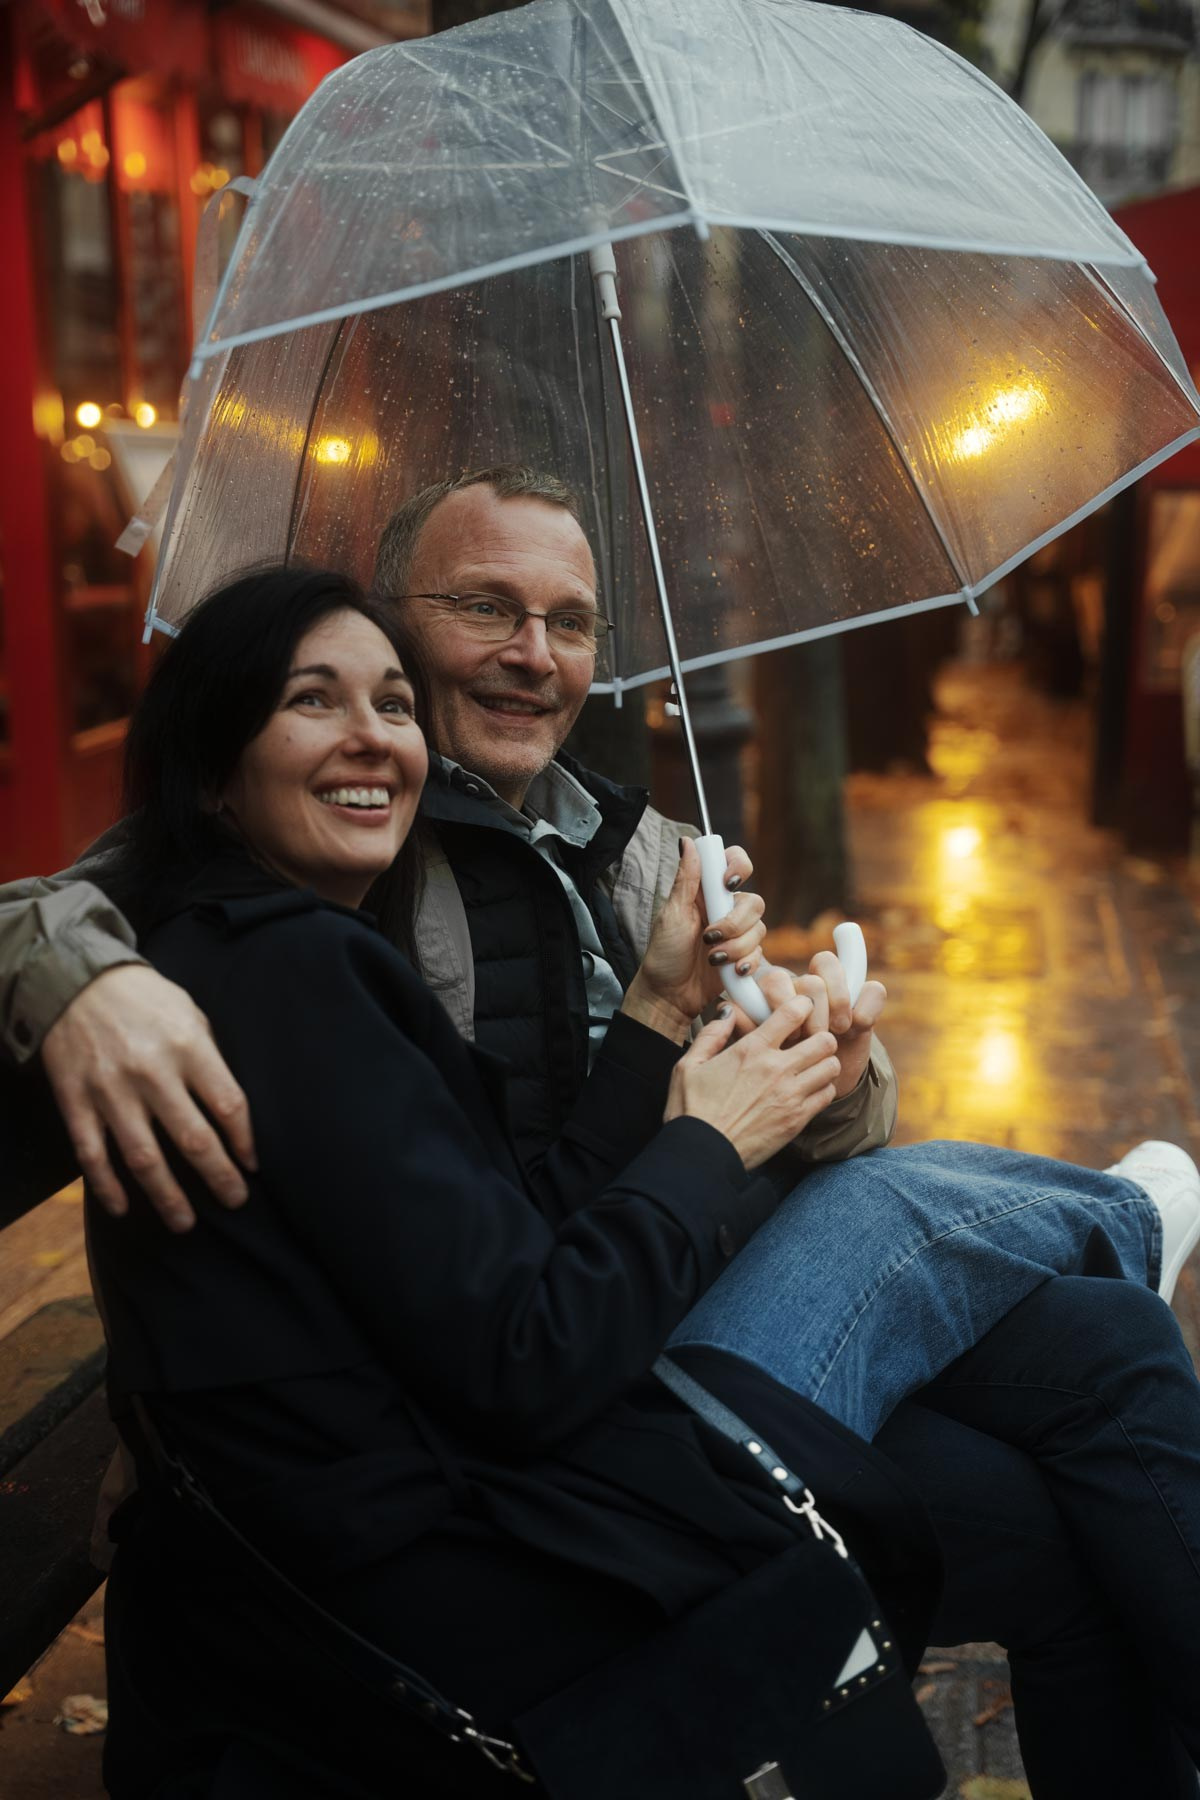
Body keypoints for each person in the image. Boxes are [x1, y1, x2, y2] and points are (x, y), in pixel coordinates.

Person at [86, 566, 1200, 1797]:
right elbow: (529, 1361)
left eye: (388, 704)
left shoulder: (394, 916)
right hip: (481, 1541)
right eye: (315, 699)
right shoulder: (293, 969)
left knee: (1094, 1390)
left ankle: (1109, 1238)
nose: (373, 736)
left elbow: (500, 1257)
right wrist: (708, 1140)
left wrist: (671, 1010)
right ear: (213, 767)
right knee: (889, 1212)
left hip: (513, 1428)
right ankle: (1113, 1222)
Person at [3, 467, 1194, 1431]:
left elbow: (836, 1121)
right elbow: (63, 903)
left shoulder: (650, 850)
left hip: (687, 1275)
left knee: (1108, 1352)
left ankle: (1118, 1239)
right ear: (393, 623)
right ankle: (1120, 1221)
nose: (536, 653)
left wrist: (830, 1062)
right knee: (921, 1233)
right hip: (580, 1358)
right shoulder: (335, 832)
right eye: (486, 607)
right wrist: (86, 982)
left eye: (570, 623)